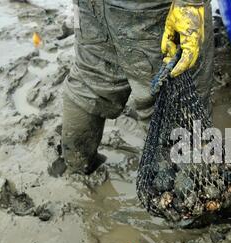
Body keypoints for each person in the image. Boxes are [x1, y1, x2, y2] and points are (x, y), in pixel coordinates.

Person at [62, 0, 213, 174]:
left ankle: (77, 166)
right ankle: (177, 188)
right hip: (151, 7)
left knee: (90, 75)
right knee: (175, 105)